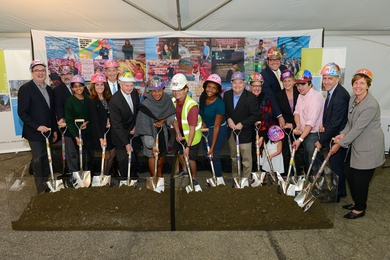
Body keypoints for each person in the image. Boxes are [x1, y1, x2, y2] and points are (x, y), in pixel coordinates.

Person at [330, 68, 385, 219]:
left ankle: (360, 208)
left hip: (368, 147)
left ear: (368, 85)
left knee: (361, 180)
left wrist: (339, 144)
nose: (358, 86)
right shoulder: (353, 99)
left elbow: (357, 129)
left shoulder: (370, 105)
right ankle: (356, 201)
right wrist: (342, 134)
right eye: (355, 83)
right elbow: (350, 123)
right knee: (349, 174)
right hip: (355, 145)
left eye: (362, 83)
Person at [18, 60, 58, 193]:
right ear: (32, 73)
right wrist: (37, 127)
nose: (40, 73)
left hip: (48, 132)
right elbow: (22, 113)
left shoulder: (48, 89)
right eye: (37, 70)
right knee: (38, 161)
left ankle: (47, 184)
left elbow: (51, 112)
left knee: (47, 159)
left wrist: (55, 131)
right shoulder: (26, 89)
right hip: (35, 133)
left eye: (42, 70)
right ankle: (40, 189)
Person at [315, 62, 350, 201]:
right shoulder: (332, 92)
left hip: (338, 137)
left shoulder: (340, 96)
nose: (327, 81)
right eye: (325, 78)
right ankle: (340, 191)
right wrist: (324, 124)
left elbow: (336, 125)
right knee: (336, 165)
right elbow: (331, 115)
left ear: (337, 79)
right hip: (332, 134)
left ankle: (336, 195)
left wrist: (321, 141)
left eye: (330, 78)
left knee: (336, 166)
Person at [223, 71, 260, 186]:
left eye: (240, 82)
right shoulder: (227, 95)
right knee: (234, 157)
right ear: (231, 83)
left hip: (245, 133)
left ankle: (245, 182)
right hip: (231, 133)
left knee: (246, 160)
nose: (237, 85)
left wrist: (242, 124)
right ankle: (236, 180)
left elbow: (255, 115)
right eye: (235, 83)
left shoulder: (250, 97)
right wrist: (228, 119)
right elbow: (225, 111)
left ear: (244, 83)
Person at [135, 76, 176, 178]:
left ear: (163, 89)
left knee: (161, 155)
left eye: (159, 91)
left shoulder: (167, 99)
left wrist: (163, 120)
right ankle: (154, 179)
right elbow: (143, 125)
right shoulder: (146, 104)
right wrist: (151, 144)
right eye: (154, 91)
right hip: (149, 133)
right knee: (152, 156)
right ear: (150, 91)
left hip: (163, 132)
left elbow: (171, 115)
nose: (156, 94)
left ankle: (160, 178)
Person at [171, 73, 202, 185]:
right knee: (179, 152)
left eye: (179, 90)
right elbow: (173, 119)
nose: (176, 92)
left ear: (186, 89)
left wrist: (188, 146)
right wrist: (178, 132)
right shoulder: (173, 102)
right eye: (174, 90)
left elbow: (192, 128)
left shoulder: (192, 106)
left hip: (192, 135)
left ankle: (194, 178)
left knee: (190, 157)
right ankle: (184, 169)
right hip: (181, 131)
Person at [109, 71, 140, 181]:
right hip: (120, 134)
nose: (129, 88)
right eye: (127, 85)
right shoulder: (114, 101)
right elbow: (116, 125)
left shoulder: (135, 93)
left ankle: (134, 178)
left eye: (131, 85)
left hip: (132, 131)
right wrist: (126, 143)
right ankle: (124, 182)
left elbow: (136, 111)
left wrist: (136, 126)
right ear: (120, 85)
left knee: (134, 158)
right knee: (123, 160)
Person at [292, 70, 324, 174]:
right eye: (298, 84)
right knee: (307, 161)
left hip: (313, 135)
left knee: (314, 164)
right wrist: (298, 126)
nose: (300, 87)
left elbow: (311, 123)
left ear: (310, 83)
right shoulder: (301, 95)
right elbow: (297, 112)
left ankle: (319, 187)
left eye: (303, 84)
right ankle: (309, 185)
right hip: (305, 133)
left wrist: (300, 139)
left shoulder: (315, 99)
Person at [198, 74, 227, 179]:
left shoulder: (219, 104)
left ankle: (219, 178)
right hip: (207, 128)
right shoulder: (202, 98)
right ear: (205, 87)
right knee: (207, 154)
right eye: (209, 87)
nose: (210, 90)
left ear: (217, 90)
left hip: (218, 129)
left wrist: (213, 147)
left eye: (214, 88)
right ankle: (213, 173)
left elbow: (216, 127)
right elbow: (201, 112)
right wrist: (202, 121)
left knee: (214, 153)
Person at [53, 65, 79, 176]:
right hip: (68, 126)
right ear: (60, 76)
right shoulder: (57, 90)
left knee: (83, 151)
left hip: (82, 125)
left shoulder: (80, 86)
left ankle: (85, 172)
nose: (66, 76)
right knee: (71, 151)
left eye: (68, 73)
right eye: (63, 74)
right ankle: (74, 174)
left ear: (72, 74)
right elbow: (58, 106)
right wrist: (61, 118)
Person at [65, 75, 94, 175]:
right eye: (75, 86)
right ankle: (74, 175)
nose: (78, 88)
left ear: (84, 86)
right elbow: (68, 120)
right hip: (74, 132)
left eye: (80, 86)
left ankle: (88, 174)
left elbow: (92, 114)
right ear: (72, 88)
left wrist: (87, 122)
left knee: (88, 155)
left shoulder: (89, 98)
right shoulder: (70, 101)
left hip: (87, 131)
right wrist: (76, 137)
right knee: (74, 155)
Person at [275, 69, 302, 174]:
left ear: (294, 81)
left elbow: (303, 112)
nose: (286, 83)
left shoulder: (300, 93)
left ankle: (298, 173)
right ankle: (287, 173)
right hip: (286, 128)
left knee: (298, 151)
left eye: (289, 80)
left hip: (299, 127)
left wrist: (295, 125)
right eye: (284, 81)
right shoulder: (279, 95)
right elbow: (279, 113)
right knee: (286, 150)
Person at [88, 73, 115, 175]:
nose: (100, 87)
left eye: (102, 84)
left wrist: (109, 120)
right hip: (100, 131)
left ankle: (106, 175)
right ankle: (102, 176)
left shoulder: (108, 98)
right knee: (106, 155)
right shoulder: (92, 100)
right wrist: (100, 138)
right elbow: (95, 120)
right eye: (97, 85)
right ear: (94, 86)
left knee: (112, 154)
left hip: (110, 131)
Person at [248, 73, 273, 171]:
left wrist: (262, 136)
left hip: (262, 132)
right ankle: (252, 175)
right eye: (254, 85)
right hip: (247, 132)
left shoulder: (266, 100)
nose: (257, 88)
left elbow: (267, 118)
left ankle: (262, 174)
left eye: (259, 86)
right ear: (250, 86)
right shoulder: (245, 98)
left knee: (261, 156)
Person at [261, 47, 288, 127]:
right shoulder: (264, 76)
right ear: (267, 61)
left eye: (277, 60)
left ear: (280, 60)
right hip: (275, 114)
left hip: (288, 110)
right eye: (272, 60)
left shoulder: (284, 69)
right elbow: (271, 97)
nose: (275, 62)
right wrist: (279, 116)